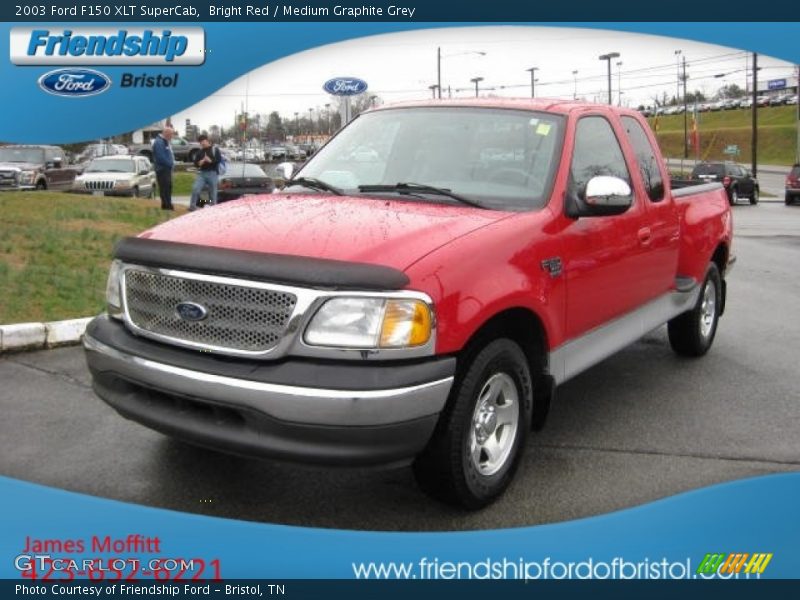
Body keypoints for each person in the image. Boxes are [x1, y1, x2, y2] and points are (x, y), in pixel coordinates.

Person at [189, 134, 222, 211]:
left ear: (207, 141)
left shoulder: (215, 149)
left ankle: (213, 207)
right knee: (195, 188)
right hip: (202, 173)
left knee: (213, 192)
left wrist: (210, 161)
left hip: (213, 173)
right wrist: (200, 163)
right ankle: (192, 206)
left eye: (203, 141)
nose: (202, 143)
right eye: (201, 142)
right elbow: (196, 164)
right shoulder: (199, 152)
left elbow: (219, 160)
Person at [152, 127, 175, 210]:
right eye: (171, 134)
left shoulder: (164, 142)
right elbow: (160, 157)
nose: (172, 136)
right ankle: (166, 205)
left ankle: (168, 204)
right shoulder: (159, 142)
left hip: (167, 169)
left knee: (168, 187)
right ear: (166, 133)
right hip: (162, 169)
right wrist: (170, 164)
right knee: (165, 187)